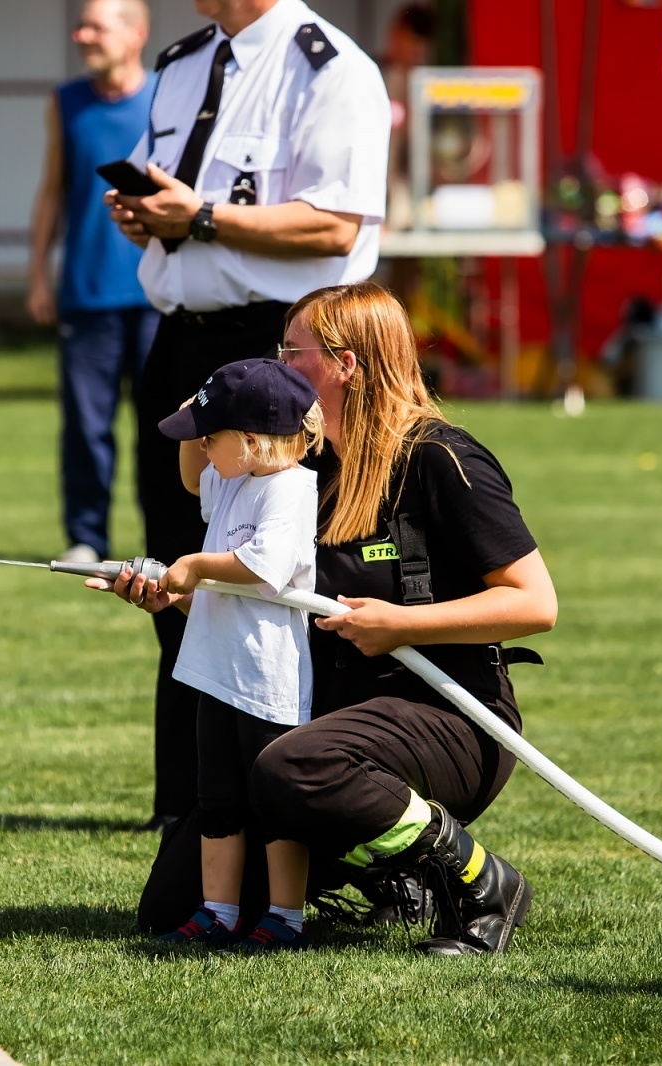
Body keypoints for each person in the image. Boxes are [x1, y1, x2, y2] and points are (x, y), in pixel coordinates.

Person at [117, 282, 558, 954]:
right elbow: (266, 586)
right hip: (328, 711)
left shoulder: (441, 458)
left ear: (345, 364)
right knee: (174, 903)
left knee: (290, 767)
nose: (277, 365)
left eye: (290, 352)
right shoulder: (302, 469)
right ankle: (390, 872)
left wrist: (403, 625)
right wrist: (173, 592)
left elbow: (534, 603)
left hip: (448, 713)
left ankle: (479, 883)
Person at [107, 0, 391, 830]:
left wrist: (197, 217)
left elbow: (337, 223)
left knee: (281, 579)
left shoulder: (329, 67)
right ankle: (193, 803)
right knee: (175, 574)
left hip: (279, 357)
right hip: (180, 347)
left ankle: (291, 796)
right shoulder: (183, 60)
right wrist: (147, 217)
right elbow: (175, 206)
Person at [143, 358, 322, 951]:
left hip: (265, 679)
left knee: (274, 803)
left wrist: (192, 566)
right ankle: (217, 912)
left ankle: (284, 917)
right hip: (214, 672)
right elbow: (194, 477)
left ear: (249, 442)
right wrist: (194, 421)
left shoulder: (292, 489)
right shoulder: (231, 477)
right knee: (217, 797)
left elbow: (262, 568)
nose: (200, 445)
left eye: (210, 435)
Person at [27, 0, 160, 567]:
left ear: (136, 34)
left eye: (96, 27)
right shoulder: (66, 102)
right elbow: (52, 188)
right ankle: (87, 538)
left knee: (164, 427)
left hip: (159, 291)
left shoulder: (168, 99)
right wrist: (38, 273)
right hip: (85, 291)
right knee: (85, 427)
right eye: (81, 26)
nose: (82, 35)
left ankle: (168, 539)